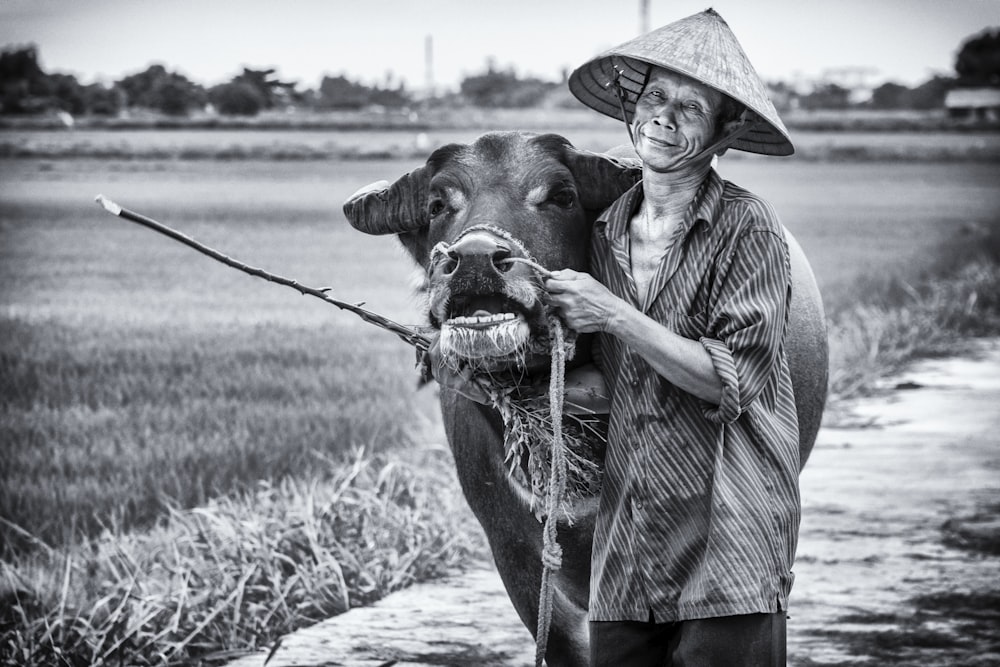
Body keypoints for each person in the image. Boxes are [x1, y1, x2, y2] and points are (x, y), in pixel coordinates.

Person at [544, 9, 801, 666]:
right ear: (632, 105)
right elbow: (617, 385)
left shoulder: (750, 231)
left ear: (725, 131)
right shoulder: (603, 235)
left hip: (730, 550)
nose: (664, 116)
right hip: (627, 553)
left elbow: (729, 379)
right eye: (655, 95)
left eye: (691, 107)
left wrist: (612, 313)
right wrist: (510, 375)